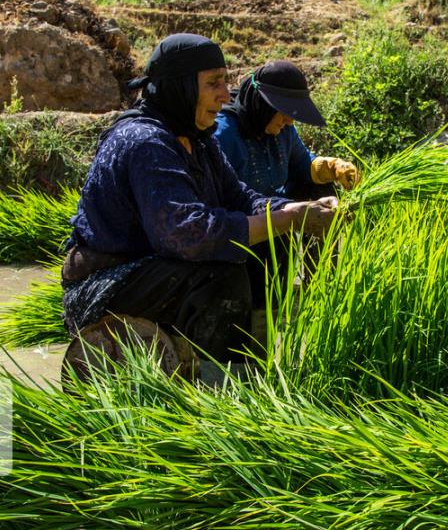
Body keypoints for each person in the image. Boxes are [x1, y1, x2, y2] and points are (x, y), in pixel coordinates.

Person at [60, 34, 338, 376]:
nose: (225, 94)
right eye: (213, 84)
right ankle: (221, 385)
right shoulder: (144, 141)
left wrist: (298, 211)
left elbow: (241, 198)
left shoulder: (199, 141)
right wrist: (289, 217)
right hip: (109, 282)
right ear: (179, 88)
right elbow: (188, 234)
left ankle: (249, 361)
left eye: (224, 81)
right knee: (220, 273)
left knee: (266, 240)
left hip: (156, 268)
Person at [213, 60, 359, 200]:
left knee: (323, 189)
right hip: (247, 218)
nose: (290, 121)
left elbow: (301, 161)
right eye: (285, 112)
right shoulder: (223, 135)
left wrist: (331, 167)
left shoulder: (283, 130)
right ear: (262, 105)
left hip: (277, 208)